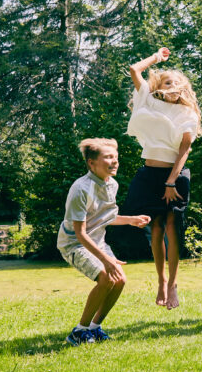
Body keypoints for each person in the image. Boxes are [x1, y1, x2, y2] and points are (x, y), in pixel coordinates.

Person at [123, 48, 202, 309]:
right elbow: (135, 70)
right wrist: (157, 57)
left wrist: (171, 182)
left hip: (174, 176)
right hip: (150, 174)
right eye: (168, 81)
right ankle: (161, 281)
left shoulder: (187, 114)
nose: (173, 86)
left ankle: (173, 286)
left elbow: (185, 149)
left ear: (184, 89)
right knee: (155, 229)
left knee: (172, 229)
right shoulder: (148, 100)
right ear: (159, 85)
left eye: (178, 83)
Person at [58, 139, 150, 345]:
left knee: (120, 281)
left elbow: (106, 217)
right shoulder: (80, 189)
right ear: (91, 163)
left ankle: (94, 327)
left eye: (116, 158)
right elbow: (80, 233)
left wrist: (131, 220)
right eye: (108, 157)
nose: (115, 162)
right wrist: (106, 260)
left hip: (97, 241)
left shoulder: (112, 184)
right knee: (106, 278)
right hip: (74, 243)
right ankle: (79, 332)